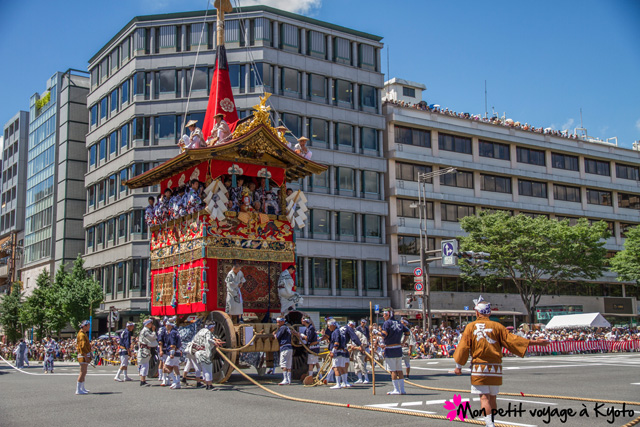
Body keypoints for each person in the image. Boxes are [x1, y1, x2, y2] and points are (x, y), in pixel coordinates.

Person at [453, 296, 550, 427]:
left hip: (479, 367)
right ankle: (491, 421)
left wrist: (458, 366)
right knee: (492, 397)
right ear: (489, 312)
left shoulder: (471, 327)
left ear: (477, 312)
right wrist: (536, 342)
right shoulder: (498, 326)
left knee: (484, 397)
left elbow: (463, 347)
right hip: (495, 367)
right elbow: (514, 340)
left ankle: (489, 423)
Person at [375, 309, 410, 395]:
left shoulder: (387, 323)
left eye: (384, 314)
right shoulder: (399, 323)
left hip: (390, 348)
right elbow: (407, 332)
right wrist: (403, 342)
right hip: (398, 348)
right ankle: (402, 390)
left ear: (388, 315)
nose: (383, 316)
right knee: (399, 370)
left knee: (393, 370)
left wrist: (375, 332)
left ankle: (396, 389)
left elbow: (384, 334)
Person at [189, 323, 225, 390]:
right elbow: (208, 339)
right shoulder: (208, 332)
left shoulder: (202, 330)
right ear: (211, 328)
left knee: (204, 369)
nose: (213, 329)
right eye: (213, 328)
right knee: (208, 369)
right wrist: (215, 343)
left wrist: (215, 339)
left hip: (197, 352)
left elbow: (210, 336)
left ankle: (207, 384)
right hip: (204, 352)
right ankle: (209, 385)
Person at [162, 320, 183, 389]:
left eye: (167, 325)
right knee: (175, 367)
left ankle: (175, 381)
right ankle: (178, 383)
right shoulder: (176, 331)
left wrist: (172, 353)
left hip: (173, 352)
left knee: (166, 367)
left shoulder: (172, 333)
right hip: (178, 351)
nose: (166, 326)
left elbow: (172, 344)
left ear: (170, 325)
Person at [137, 319, 158, 387]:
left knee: (144, 365)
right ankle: (142, 381)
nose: (152, 324)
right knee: (145, 365)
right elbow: (153, 337)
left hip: (145, 349)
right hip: (144, 350)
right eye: (150, 323)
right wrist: (154, 331)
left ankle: (143, 380)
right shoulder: (145, 331)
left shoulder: (145, 330)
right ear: (147, 324)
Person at [274, 317, 293, 385]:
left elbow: (277, 337)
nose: (277, 323)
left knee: (284, 364)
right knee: (288, 365)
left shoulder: (283, 328)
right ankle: (289, 379)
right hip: (289, 347)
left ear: (282, 322)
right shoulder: (287, 328)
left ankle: (285, 379)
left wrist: (274, 334)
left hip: (284, 347)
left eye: (279, 322)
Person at [76, 320, 92, 395]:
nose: (89, 327)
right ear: (84, 326)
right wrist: (86, 356)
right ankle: (78, 389)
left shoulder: (83, 333)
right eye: (88, 325)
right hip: (83, 354)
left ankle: (82, 387)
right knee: (82, 372)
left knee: (84, 372)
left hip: (84, 354)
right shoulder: (81, 335)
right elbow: (82, 347)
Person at [156, 317, 168, 384]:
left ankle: (161, 376)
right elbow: (160, 341)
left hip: (161, 347)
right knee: (164, 362)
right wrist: (161, 350)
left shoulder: (161, 328)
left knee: (161, 361)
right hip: (162, 347)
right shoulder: (163, 329)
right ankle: (163, 376)